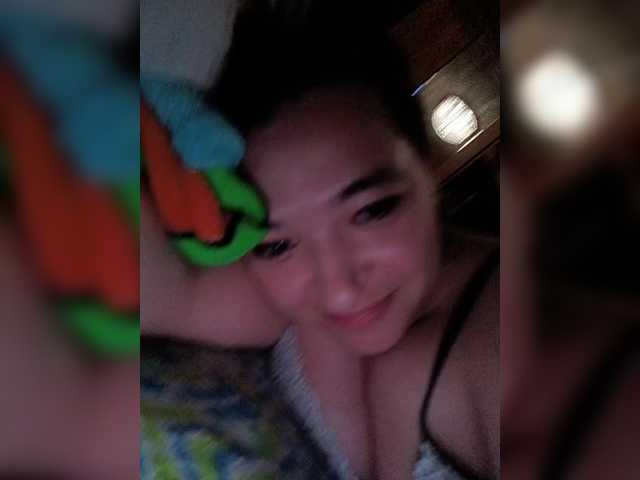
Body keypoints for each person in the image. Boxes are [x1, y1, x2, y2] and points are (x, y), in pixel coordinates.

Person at [141, 4, 499, 479]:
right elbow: (162, 292)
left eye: (371, 211)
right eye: (277, 245)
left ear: (426, 164)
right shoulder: (275, 298)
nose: (340, 290)